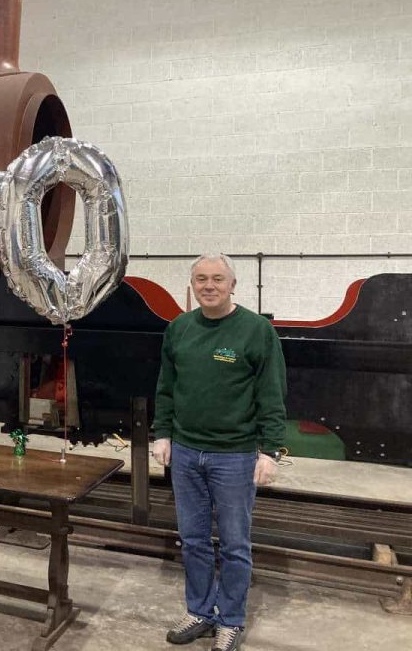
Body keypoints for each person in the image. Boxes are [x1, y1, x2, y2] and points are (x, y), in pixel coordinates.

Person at [152, 253, 286, 651]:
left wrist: (269, 451)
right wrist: (163, 434)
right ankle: (199, 611)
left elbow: (272, 394)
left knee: (233, 544)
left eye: (216, 279)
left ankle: (230, 619)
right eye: (200, 279)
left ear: (232, 285)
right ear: (192, 285)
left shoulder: (256, 331)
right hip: (187, 453)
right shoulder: (178, 329)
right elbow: (166, 386)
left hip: (235, 455)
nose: (208, 286)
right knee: (192, 539)